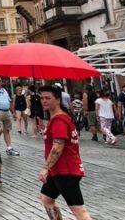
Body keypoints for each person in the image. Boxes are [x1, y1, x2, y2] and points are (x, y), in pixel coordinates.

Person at [37, 85, 93, 220]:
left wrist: (45, 168)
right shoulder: (58, 118)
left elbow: (58, 146)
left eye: (48, 98)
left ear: (57, 100)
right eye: (42, 98)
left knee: (79, 211)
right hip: (57, 171)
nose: (44, 101)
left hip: (66, 171)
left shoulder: (59, 120)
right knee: (46, 199)